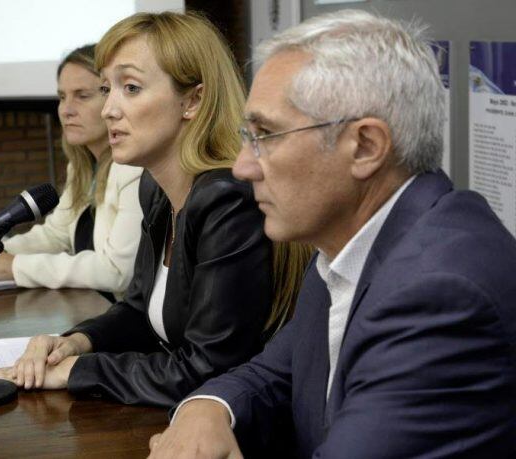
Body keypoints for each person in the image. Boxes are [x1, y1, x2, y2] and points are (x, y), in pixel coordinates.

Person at [148, 9, 516, 458]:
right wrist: (205, 408)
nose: (242, 167)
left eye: (265, 134)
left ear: (365, 146)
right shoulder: (350, 240)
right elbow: (275, 372)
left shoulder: (439, 292)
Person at [0, 12, 313, 407]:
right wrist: (74, 342)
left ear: (193, 100)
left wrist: (78, 372)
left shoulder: (227, 200)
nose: (109, 109)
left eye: (132, 88)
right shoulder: (156, 188)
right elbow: (139, 309)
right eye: (107, 89)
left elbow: (208, 369)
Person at [0, 45, 143, 301]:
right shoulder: (82, 164)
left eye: (82, 96)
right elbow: (56, 235)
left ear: (113, 100)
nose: (66, 110)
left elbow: (116, 272)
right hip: (94, 310)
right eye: (62, 97)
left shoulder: (135, 168)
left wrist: (13, 266)